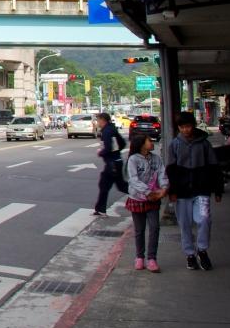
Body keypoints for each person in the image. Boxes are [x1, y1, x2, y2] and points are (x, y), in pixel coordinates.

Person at [167, 111, 223, 271]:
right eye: (182, 127)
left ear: (193, 125)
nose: (185, 130)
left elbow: (214, 167)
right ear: (178, 128)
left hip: (202, 189)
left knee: (204, 219)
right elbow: (170, 169)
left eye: (188, 126)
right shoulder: (175, 144)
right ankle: (190, 254)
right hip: (181, 191)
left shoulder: (204, 144)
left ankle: (202, 250)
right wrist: (172, 191)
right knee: (184, 224)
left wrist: (218, 189)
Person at [125, 132, 168, 271]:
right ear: (142, 144)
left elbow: (162, 174)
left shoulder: (156, 158)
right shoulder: (133, 159)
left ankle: (152, 258)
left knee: (155, 228)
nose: (152, 142)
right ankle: (139, 257)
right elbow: (133, 179)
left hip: (154, 199)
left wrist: (164, 188)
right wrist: (148, 192)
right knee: (139, 230)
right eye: (149, 140)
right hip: (138, 198)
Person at [93, 112, 127, 215]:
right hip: (116, 161)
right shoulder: (112, 129)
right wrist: (116, 152)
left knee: (106, 185)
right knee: (119, 185)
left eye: (98, 120)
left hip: (112, 163)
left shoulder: (107, 131)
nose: (97, 122)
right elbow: (122, 143)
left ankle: (100, 209)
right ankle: (100, 208)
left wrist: (101, 152)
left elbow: (108, 148)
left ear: (102, 120)